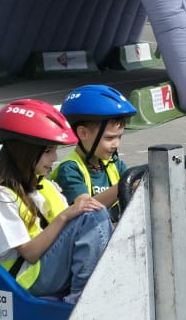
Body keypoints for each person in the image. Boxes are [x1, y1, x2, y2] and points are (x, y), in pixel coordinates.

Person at [0, 99, 110, 303]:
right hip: (28, 276)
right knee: (94, 217)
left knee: (99, 217)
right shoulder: (1, 196)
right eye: (47, 151)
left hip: (50, 266)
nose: (54, 158)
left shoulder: (45, 185)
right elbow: (29, 253)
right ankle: (82, 302)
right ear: (24, 151)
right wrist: (65, 216)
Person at [55, 83, 137, 220]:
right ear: (83, 133)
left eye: (119, 137)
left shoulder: (115, 164)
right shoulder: (69, 169)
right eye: (109, 138)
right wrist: (124, 185)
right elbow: (85, 210)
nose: (116, 144)